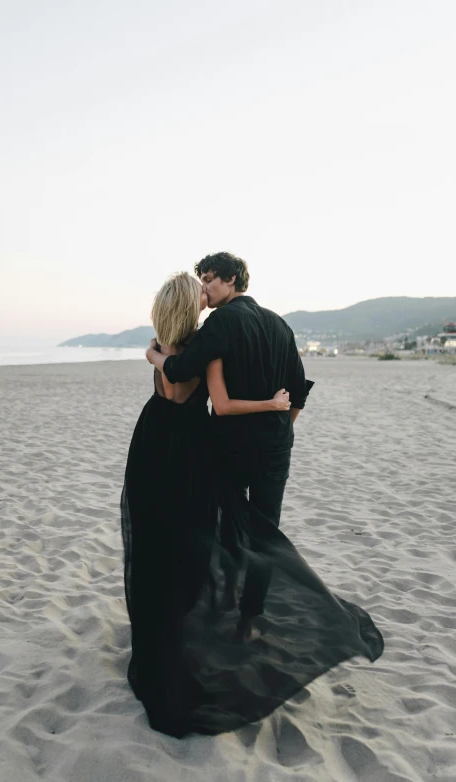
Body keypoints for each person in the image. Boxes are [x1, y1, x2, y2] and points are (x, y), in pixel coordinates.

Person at [141, 253, 383, 738]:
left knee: (228, 524)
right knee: (264, 530)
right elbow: (299, 388)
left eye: (209, 278)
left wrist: (151, 353)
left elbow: (182, 364)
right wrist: (280, 427)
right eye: (202, 280)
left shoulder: (221, 322)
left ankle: (220, 610)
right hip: (276, 445)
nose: (203, 287)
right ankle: (248, 618)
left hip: (231, 449)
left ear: (231, 280)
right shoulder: (279, 324)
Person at [121, 271, 292, 738]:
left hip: (154, 444)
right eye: (199, 290)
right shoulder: (204, 346)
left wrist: (152, 354)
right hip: (193, 449)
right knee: (191, 540)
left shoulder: (163, 342)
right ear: (189, 302)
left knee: (154, 536)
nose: (205, 294)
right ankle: (194, 630)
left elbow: (169, 384)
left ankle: (157, 632)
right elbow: (213, 399)